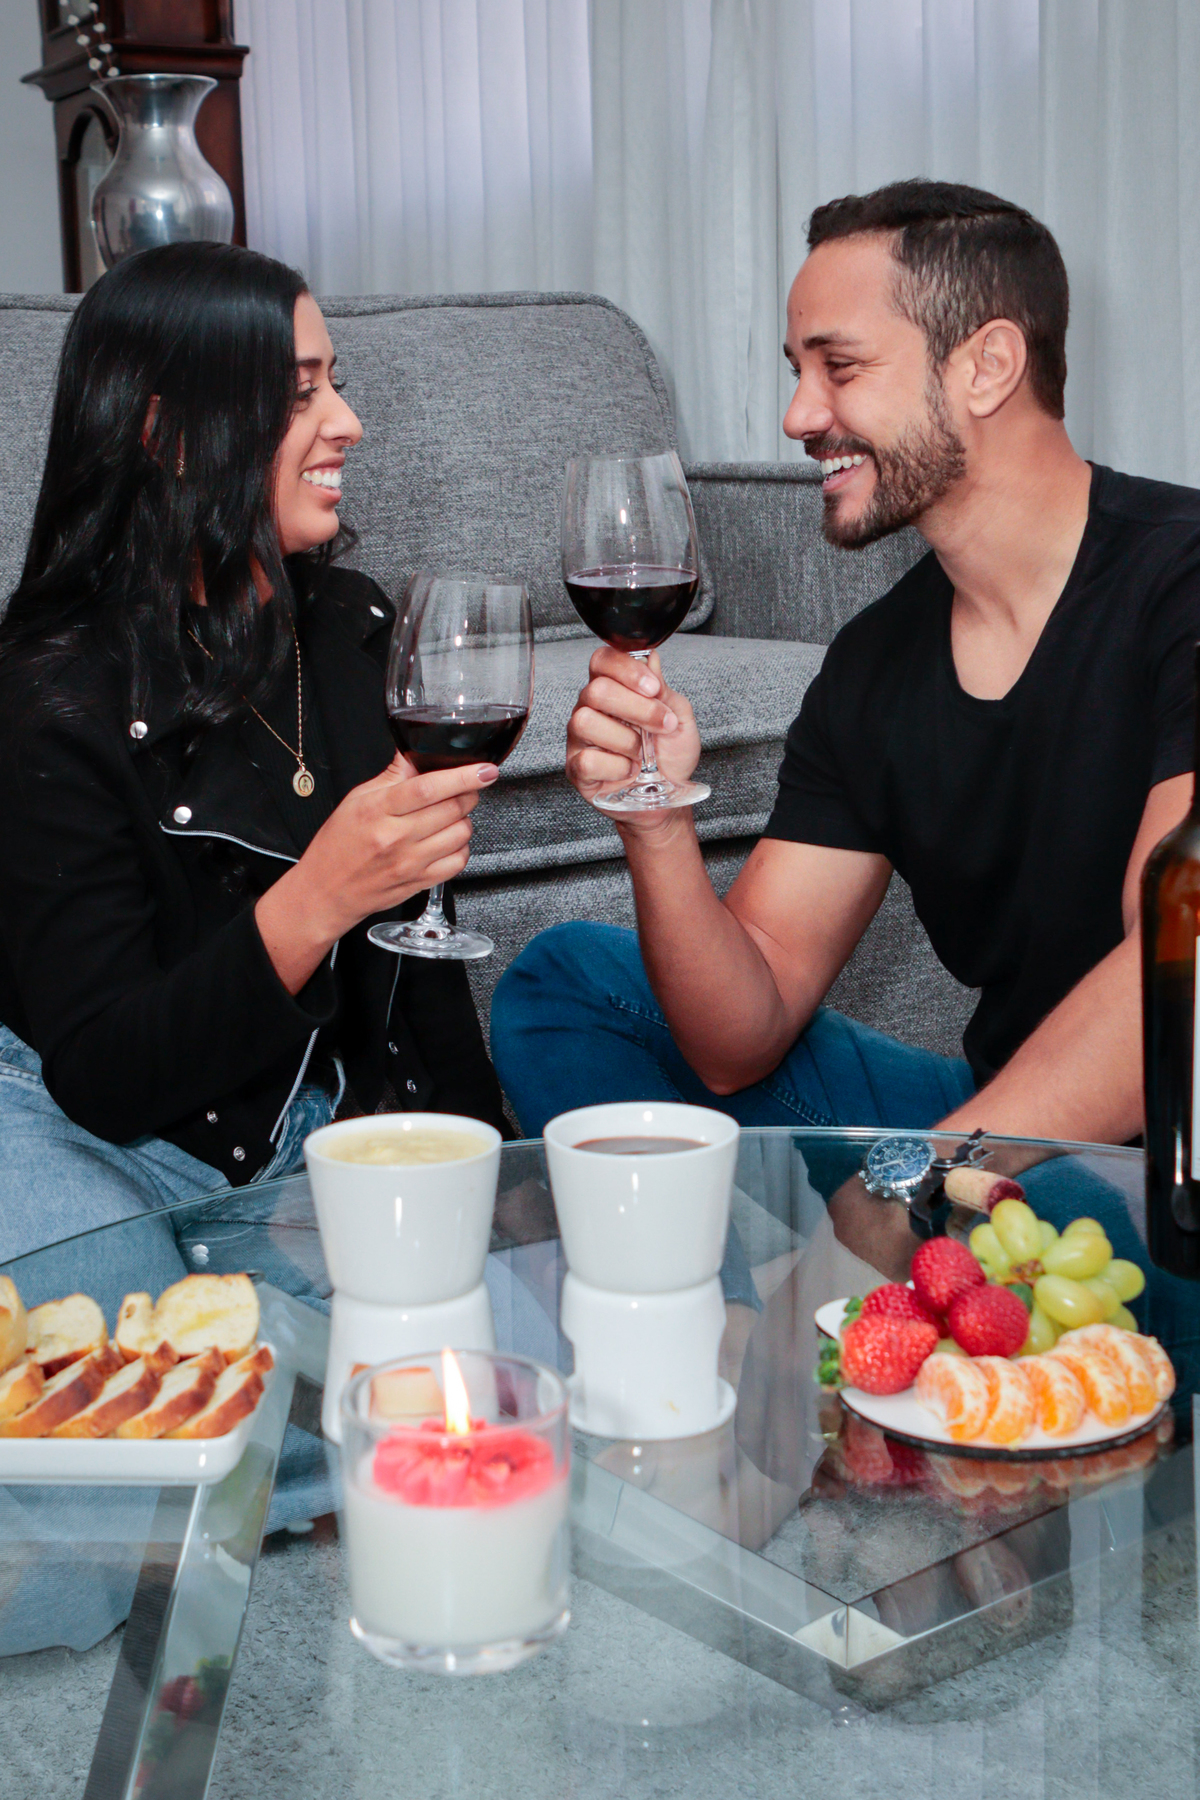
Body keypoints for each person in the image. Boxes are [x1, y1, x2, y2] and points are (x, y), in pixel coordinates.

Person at [490, 180, 1200, 1365]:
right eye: (796, 369)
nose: (797, 414)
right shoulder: (877, 663)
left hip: (1167, 1164)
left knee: (1075, 1208)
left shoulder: (1182, 583)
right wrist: (656, 824)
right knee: (566, 984)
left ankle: (860, 1330)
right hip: (997, 1140)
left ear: (987, 365)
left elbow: (1178, 983)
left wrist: (917, 1179)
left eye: (840, 367)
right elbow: (740, 1034)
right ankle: (746, 1345)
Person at [0, 241, 508, 1292]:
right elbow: (103, 1075)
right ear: (168, 434)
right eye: (297, 394)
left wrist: (493, 1182)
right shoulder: (51, 695)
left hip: (301, 1139)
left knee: (515, 1322)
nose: (347, 423)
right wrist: (321, 897)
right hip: (81, 1129)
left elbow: (419, 967)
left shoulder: (351, 627)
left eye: (334, 383)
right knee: (135, 1362)